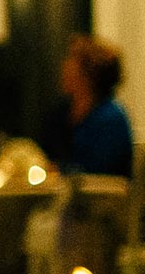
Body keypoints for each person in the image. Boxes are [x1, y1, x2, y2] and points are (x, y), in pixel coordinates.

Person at [56, 36, 134, 179]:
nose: (64, 68)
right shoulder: (62, 113)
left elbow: (99, 174)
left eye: (71, 62)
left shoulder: (111, 118)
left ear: (89, 75)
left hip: (103, 199)